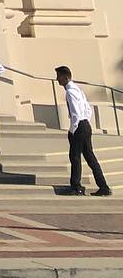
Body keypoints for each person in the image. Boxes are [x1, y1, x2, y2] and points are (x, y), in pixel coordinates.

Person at [56, 66, 111, 196]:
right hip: (85, 124)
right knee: (90, 157)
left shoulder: (70, 92)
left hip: (79, 127)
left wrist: (73, 130)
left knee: (74, 157)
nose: (57, 79)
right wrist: (86, 122)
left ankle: (76, 186)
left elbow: (75, 114)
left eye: (58, 76)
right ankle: (103, 186)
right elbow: (88, 109)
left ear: (65, 77)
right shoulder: (78, 90)